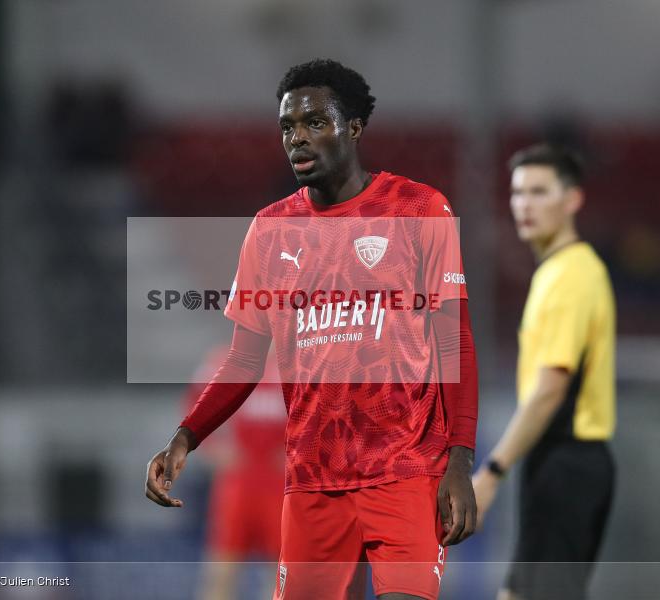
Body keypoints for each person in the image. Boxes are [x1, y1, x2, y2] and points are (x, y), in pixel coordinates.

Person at [145, 58, 479, 600]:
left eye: (315, 123)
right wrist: (186, 437)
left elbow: (454, 343)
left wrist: (460, 463)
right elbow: (243, 360)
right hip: (313, 484)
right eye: (287, 128)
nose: (297, 138)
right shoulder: (270, 230)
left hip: (407, 473)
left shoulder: (419, 209)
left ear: (353, 127)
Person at [472, 144, 616, 600]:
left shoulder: (570, 275)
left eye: (538, 192)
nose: (524, 204)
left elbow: (550, 389)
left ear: (573, 199)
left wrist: (492, 470)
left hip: (568, 461)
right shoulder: (561, 271)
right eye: (517, 193)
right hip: (559, 462)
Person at [187, 345, 286, 600]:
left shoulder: (300, 363)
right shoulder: (225, 362)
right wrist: (213, 449)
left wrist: (299, 454)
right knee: (221, 571)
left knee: (280, 577)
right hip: (237, 484)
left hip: (281, 486)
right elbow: (193, 408)